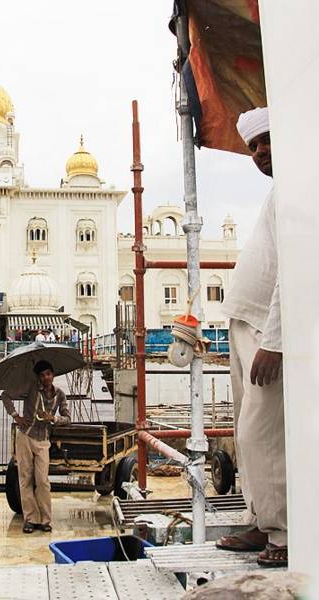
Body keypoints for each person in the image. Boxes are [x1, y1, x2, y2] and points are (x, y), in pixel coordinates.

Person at [216, 107, 287, 567]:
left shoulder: (300, 188)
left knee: (262, 433)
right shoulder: (279, 193)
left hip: (265, 329)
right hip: (246, 322)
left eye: (267, 142)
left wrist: (276, 340)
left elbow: (294, 269)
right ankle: (262, 523)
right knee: (246, 433)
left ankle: (283, 533)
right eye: (253, 147)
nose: (260, 153)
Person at [1, 360, 71, 533]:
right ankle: (31, 519)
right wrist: (16, 416)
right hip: (25, 437)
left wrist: (53, 419)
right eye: (42, 375)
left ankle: (46, 520)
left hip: (43, 441)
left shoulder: (60, 395)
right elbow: (5, 395)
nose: (46, 377)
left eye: (48, 373)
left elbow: (67, 418)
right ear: (38, 377)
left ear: (53, 374)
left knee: (42, 481)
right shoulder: (30, 388)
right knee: (25, 479)